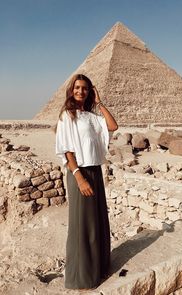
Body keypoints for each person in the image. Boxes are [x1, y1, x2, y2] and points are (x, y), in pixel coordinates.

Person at [55, 74, 118, 290]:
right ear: (71, 90)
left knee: (97, 221)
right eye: (77, 88)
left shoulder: (90, 116)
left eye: (85, 88)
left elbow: (112, 126)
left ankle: (98, 269)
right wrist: (79, 178)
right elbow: (67, 150)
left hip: (95, 171)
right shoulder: (67, 115)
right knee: (83, 225)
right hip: (79, 173)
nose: (81, 91)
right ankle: (81, 278)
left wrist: (99, 102)